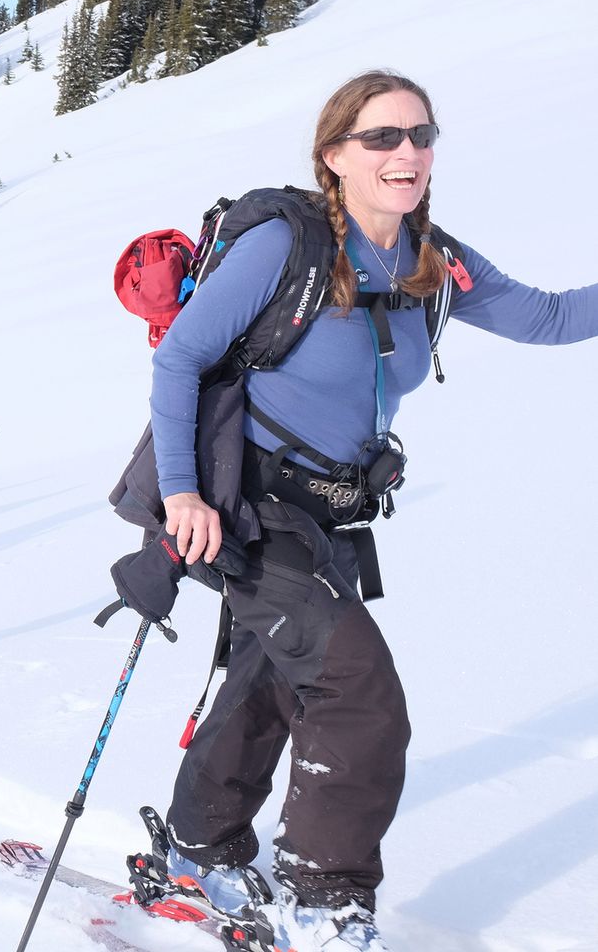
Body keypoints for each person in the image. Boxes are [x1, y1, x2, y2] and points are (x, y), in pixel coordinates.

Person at [127, 70, 598, 952]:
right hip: (250, 504)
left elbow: (546, 318)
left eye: (421, 135)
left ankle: (198, 847)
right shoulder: (285, 246)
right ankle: (325, 900)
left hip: (333, 513)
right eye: (382, 137)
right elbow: (181, 359)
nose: (407, 152)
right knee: (358, 695)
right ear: (334, 154)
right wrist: (184, 494)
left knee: (271, 680)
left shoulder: (433, 259)